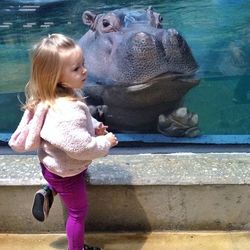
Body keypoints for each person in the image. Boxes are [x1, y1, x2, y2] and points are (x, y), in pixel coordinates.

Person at [9, 33, 118, 250]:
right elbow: (82, 148)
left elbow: (79, 121)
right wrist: (105, 141)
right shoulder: (69, 111)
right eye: (76, 69)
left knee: (68, 177)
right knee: (77, 213)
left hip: (52, 165)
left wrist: (94, 125)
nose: (84, 71)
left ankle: (48, 190)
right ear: (56, 76)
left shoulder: (54, 96)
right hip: (67, 172)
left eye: (83, 64)